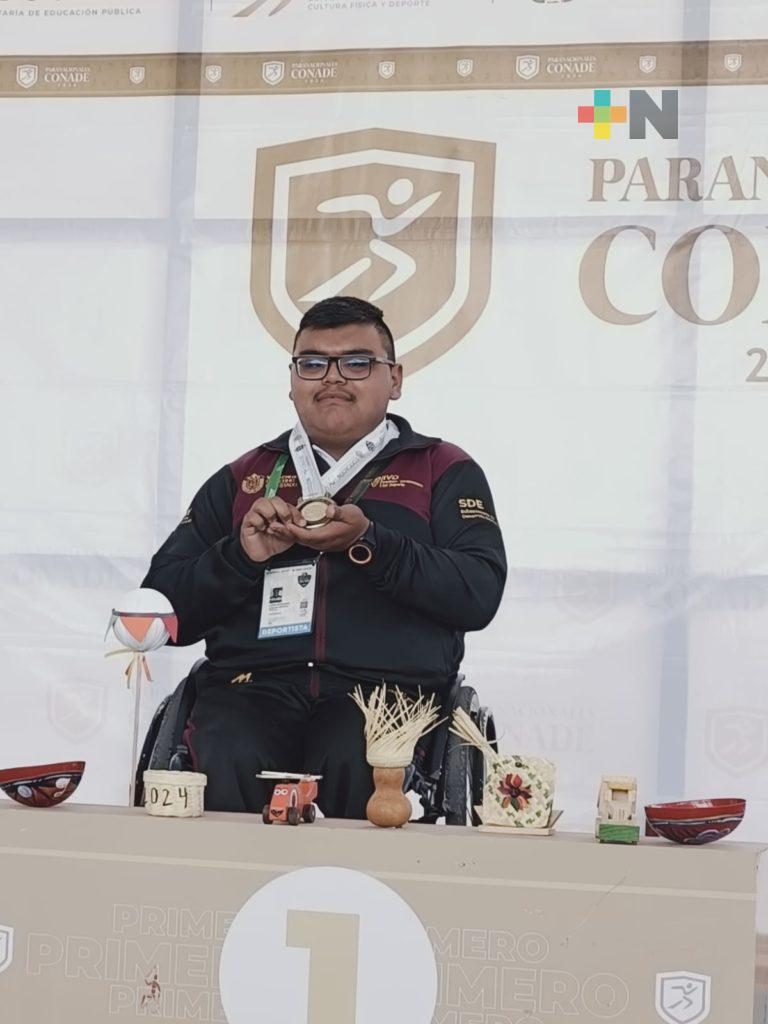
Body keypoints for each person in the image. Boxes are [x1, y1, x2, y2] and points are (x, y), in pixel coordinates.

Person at [142, 296, 506, 818]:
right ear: (292, 381)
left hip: (387, 695)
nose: (332, 377)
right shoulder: (244, 477)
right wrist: (239, 557)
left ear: (395, 379)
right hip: (251, 688)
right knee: (227, 750)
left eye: (357, 362)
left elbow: (479, 592)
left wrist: (372, 545)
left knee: (357, 755)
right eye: (312, 363)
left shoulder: (440, 468)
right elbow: (158, 612)